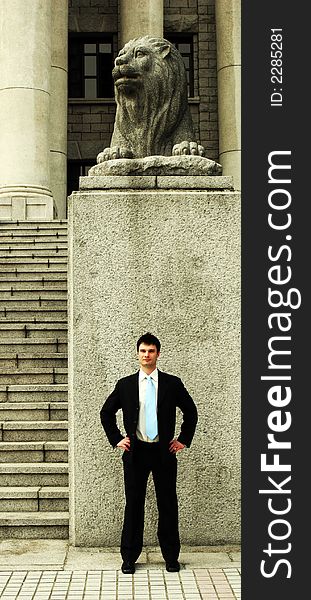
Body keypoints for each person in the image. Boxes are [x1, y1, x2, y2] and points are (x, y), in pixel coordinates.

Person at [100, 332, 198, 574]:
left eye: (151, 351)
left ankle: (171, 557)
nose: (147, 355)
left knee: (168, 504)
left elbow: (191, 411)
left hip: (163, 452)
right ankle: (129, 557)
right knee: (133, 505)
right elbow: (106, 412)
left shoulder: (172, 383)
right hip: (136, 452)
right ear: (137, 354)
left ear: (158, 354)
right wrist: (117, 439)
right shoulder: (125, 385)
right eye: (143, 351)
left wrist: (183, 440)